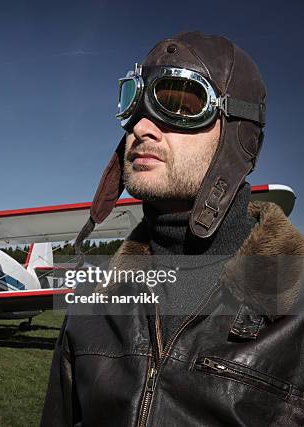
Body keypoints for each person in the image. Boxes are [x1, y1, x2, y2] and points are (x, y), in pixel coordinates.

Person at [41, 32, 304, 426]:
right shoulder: (95, 299)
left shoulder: (295, 305)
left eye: (180, 102)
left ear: (240, 135)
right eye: (136, 102)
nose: (142, 126)